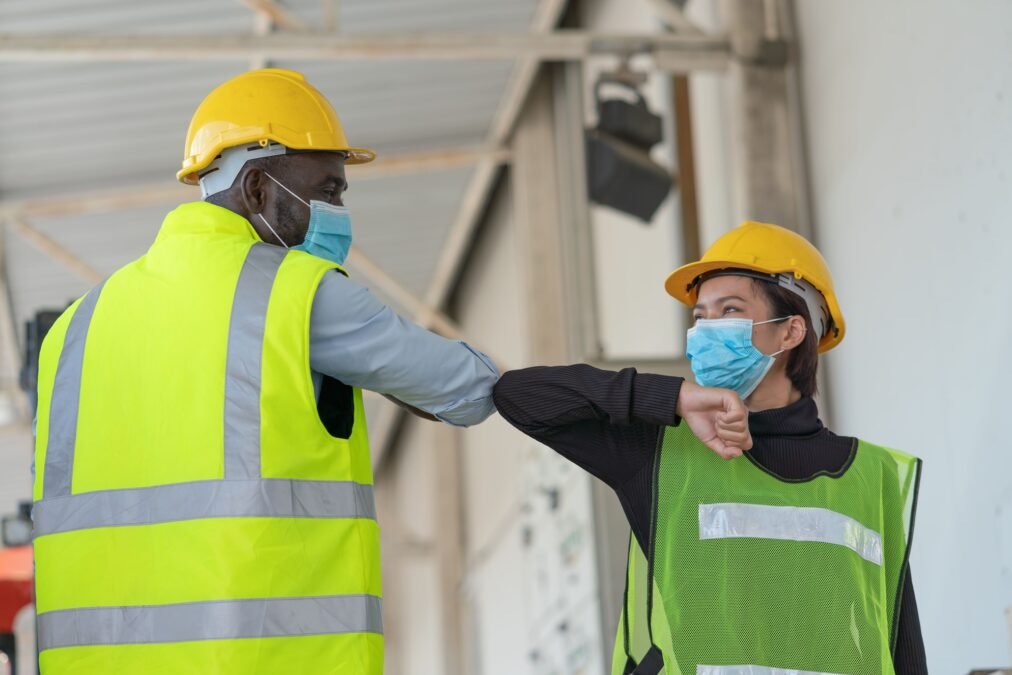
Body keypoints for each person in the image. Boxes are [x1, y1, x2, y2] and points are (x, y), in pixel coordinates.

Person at [31, 68, 499, 674]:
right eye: (328, 190)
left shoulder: (73, 330)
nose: (337, 212)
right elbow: (465, 389)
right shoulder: (292, 294)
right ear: (256, 187)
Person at [494, 221, 926, 674]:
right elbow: (517, 396)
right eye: (700, 316)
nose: (705, 331)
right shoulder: (661, 453)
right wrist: (673, 397)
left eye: (729, 310)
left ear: (791, 331)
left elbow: (904, 649)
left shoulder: (871, 475)